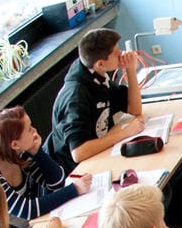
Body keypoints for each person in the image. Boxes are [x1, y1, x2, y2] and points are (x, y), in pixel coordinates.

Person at [47, 28, 146, 170]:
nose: (122, 54)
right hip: (75, 169)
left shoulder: (97, 75)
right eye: (116, 53)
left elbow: (134, 108)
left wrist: (130, 70)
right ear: (100, 63)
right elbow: (78, 152)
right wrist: (125, 132)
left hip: (99, 150)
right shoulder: (76, 97)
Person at [0, 105, 90, 219]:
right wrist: (74, 189)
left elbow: (57, 183)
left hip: (32, 222)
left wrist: (37, 152)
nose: (34, 131)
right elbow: (27, 210)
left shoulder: (21, 154)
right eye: (29, 129)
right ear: (14, 144)